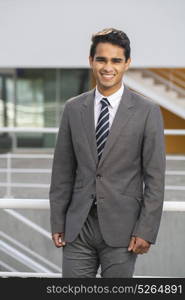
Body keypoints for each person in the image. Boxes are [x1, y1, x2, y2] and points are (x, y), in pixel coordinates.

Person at [49, 28, 166, 278]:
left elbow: (155, 178)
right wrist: (58, 221)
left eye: (116, 60)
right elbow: (62, 172)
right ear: (91, 61)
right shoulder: (73, 108)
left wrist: (146, 229)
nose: (107, 67)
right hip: (78, 226)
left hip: (123, 230)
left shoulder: (147, 111)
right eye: (101, 59)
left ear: (127, 64)